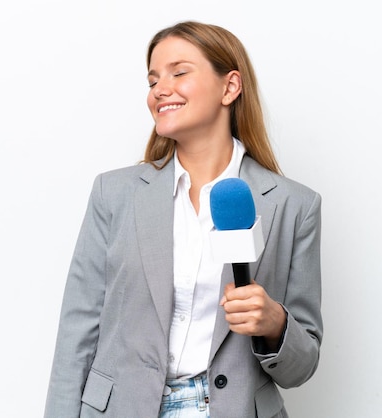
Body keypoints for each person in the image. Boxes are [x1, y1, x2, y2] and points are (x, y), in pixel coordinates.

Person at [44, 20, 323, 418]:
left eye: (179, 72)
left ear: (230, 87)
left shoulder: (294, 205)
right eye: (153, 79)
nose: (160, 89)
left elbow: (303, 365)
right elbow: (78, 331)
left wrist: (276, 323)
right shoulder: (114, 194)